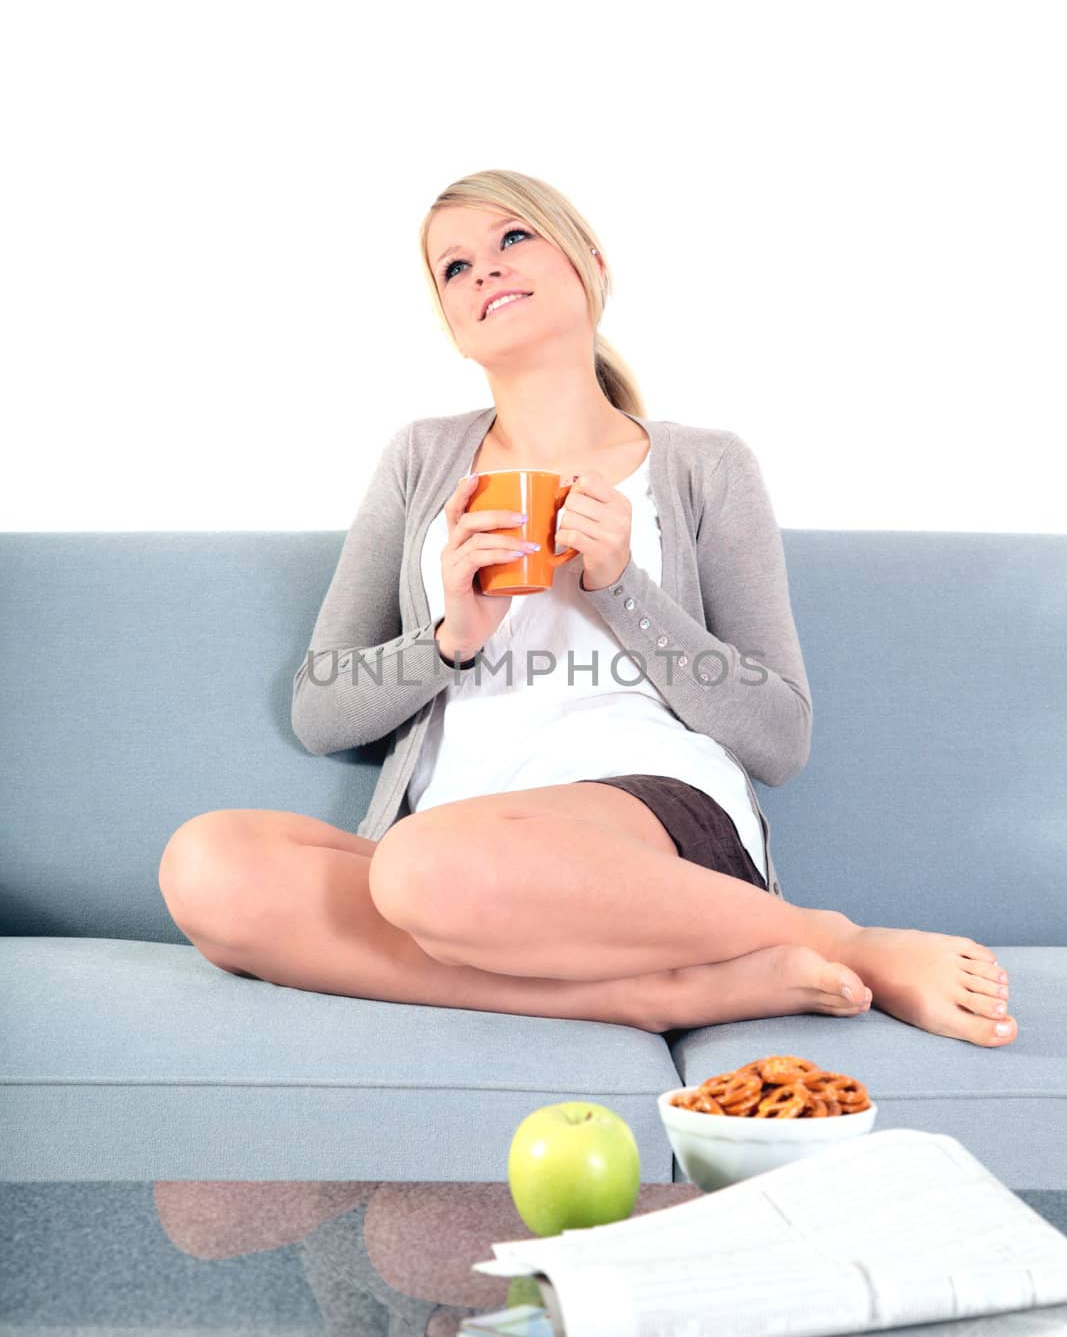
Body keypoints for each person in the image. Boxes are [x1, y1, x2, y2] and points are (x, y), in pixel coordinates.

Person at [157, 168, 1016, 1048]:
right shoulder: (419, 459)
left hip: (636, 823)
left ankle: (839, 940)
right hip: (451, 854)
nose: (484, 270)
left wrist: (620, 587)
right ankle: (657, 994)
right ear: (453, 328)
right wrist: (451, 636)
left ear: (590, 266)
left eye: (512, 239)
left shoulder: (703, 465)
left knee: (426, 869)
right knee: (210, 866)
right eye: (454, 268)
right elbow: (322, 710)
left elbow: (779, 738)